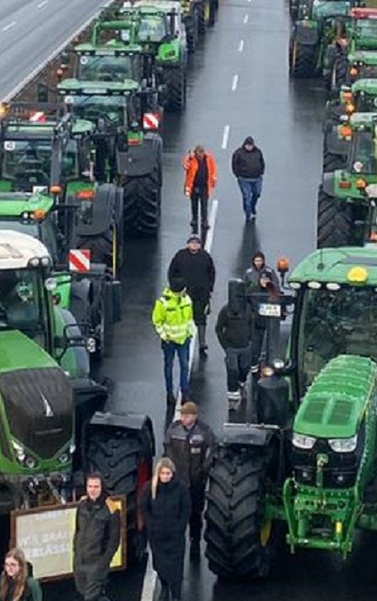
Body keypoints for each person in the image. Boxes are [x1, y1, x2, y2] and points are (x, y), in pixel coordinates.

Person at [164, 402, 215, 557]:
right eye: (182, 415)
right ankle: (176, 542)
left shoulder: (204, 431)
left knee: (195, 513)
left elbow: (211, 451)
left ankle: (195, 541)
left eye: (187, 415)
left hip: (196, 481)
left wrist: (203, 471)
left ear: (194, 416)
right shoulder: (173, 430)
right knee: (174, 512)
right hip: (178, 480)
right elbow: (167, 450)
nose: (184, 418)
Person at [140, 458, 191, 601]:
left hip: (175, 534)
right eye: (163, 473)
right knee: (160, 564)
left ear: (172, 473)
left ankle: (176, 593)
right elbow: (144, 507)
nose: (165, 476)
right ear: (158, 473)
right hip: (157, 535)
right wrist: (151, 525)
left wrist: (180, 527)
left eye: (168, 473)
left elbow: (186, 509)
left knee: (176, 565)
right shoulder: (150, 488)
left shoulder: (181, 488)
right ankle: (164, 587)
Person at [74, 473, 121, 601]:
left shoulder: (111, 509)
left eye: (96, 487)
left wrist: (103, 563)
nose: (92, 490)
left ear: (102, 488)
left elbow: (114, 541)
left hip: (97, 562)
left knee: (90, 597)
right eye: (90, 486)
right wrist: (76, 554)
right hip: (81, 561)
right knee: (88, 593)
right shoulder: (82, 505)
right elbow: (78, 531)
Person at [167, 236, 216, 357]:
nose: (194, 245)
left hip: (201, 293)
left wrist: (209, 288)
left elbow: (212, 273)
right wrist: (175, 288)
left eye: (196, 243)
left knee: (201, 318)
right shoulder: (180, 256)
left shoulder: (205, 257)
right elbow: (172, 272)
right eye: (192, 243)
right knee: (184, 317)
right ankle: (183, 339)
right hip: (184, 293)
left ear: (199, 245)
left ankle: (202, 342)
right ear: (188, 244)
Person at [152, 277, 195, 406]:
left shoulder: (187, 300)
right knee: (169, 366)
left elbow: (189, 318)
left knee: (184, 366)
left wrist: (189, 332)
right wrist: (164, 336)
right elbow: (157, 321)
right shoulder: (163, 303)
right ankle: (169, 393)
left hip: (183, 339)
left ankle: (184, 393)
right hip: (169, 341)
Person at [215, 278, 253, 404]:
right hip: (231, 348)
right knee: (232, 371)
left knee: (245, 368)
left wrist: (250, 339)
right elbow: (219, 328)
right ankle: (232, 397)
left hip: (245, 346)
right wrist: (225, 346)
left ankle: (241, 382)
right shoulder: (225, 311)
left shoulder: (248, 309)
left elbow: (252, 324)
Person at [182, 145, 217, 232]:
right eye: (198, 154)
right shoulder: (191, 160)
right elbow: (185, 166)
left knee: (204, 204)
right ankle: (194, 219)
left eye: (201, 154)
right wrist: (188, 158)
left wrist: (213, 178)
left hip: (204, 186)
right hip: (194, 186)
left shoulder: (209, 158)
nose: (200, 156)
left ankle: (204, 221)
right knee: (194, 204)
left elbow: (213, 169)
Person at [230, 136, 265, 221]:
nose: (249, 147)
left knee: (257, 193)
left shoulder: (258, 152)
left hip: (257, 178)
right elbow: (234, 164)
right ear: (245, 145)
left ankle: (252, 207)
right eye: (248, 145)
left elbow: (262, 162)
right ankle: (248, 213)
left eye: (251, 145)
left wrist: (261, 172)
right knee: (246, 197)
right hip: (244, 179)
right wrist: (238, 175)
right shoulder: (238, 153)